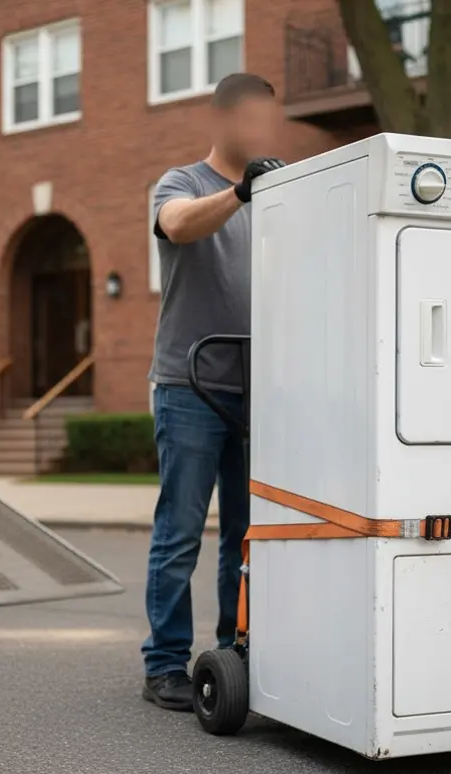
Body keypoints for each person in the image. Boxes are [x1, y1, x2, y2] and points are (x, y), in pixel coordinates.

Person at [141, 73, 285, 711]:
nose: (262, 132)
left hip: (260, 390)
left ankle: (236, 649)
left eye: (268, 120)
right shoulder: (182, 184)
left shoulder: (276, 197)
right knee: (180, 534)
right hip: (190, 385)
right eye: (252, 119)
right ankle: (164, 664)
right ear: (222, 119)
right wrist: (239, 193)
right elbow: (176, 225)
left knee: (248, 536)